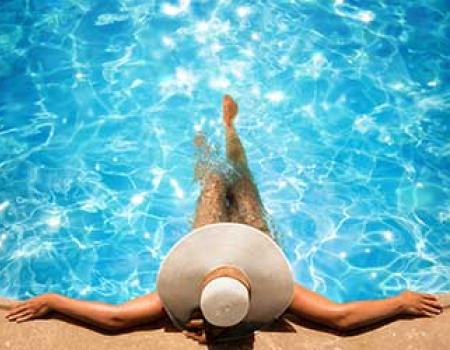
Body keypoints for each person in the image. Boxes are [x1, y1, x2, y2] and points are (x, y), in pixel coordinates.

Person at [5, 95, 444, 344]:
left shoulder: (179, 299)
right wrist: (399, 301)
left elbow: (118, 319)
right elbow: (340, 319)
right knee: (237, 179)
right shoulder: (270, 296)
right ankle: (221, 137)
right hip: (255, 237)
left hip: (207, 235)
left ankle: (223, 132)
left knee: (216, 182)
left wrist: (54, 301)